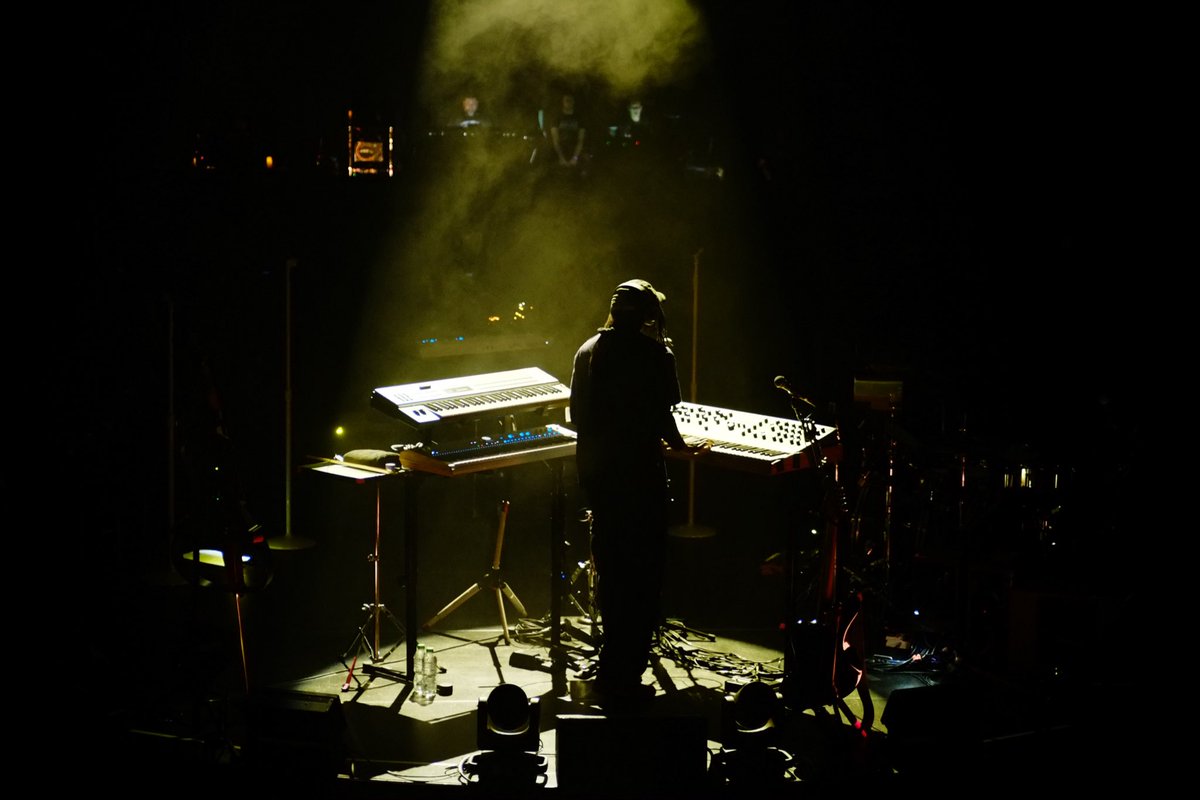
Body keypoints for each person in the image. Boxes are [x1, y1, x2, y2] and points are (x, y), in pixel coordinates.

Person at [568, 278, 708, 705]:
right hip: (641, 480)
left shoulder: (587, 351)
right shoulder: (655, 354)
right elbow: (662, 417)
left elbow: (577, 416)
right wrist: (685, 448)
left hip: (601, 479)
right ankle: (632, 665)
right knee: (644, 575)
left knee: (610, 571)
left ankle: (612, 667)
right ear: (650, 314)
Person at [549, 93, 587, 169]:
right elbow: (555, 139)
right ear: (563, 102)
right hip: (561, 150)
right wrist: (561, 157)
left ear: (573, 102)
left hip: (575, 150)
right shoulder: (557, 117)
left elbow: (581, 140)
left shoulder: (579, 118)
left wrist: (575, 157)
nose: (569, 103)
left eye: (570, 101)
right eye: (567, 100)